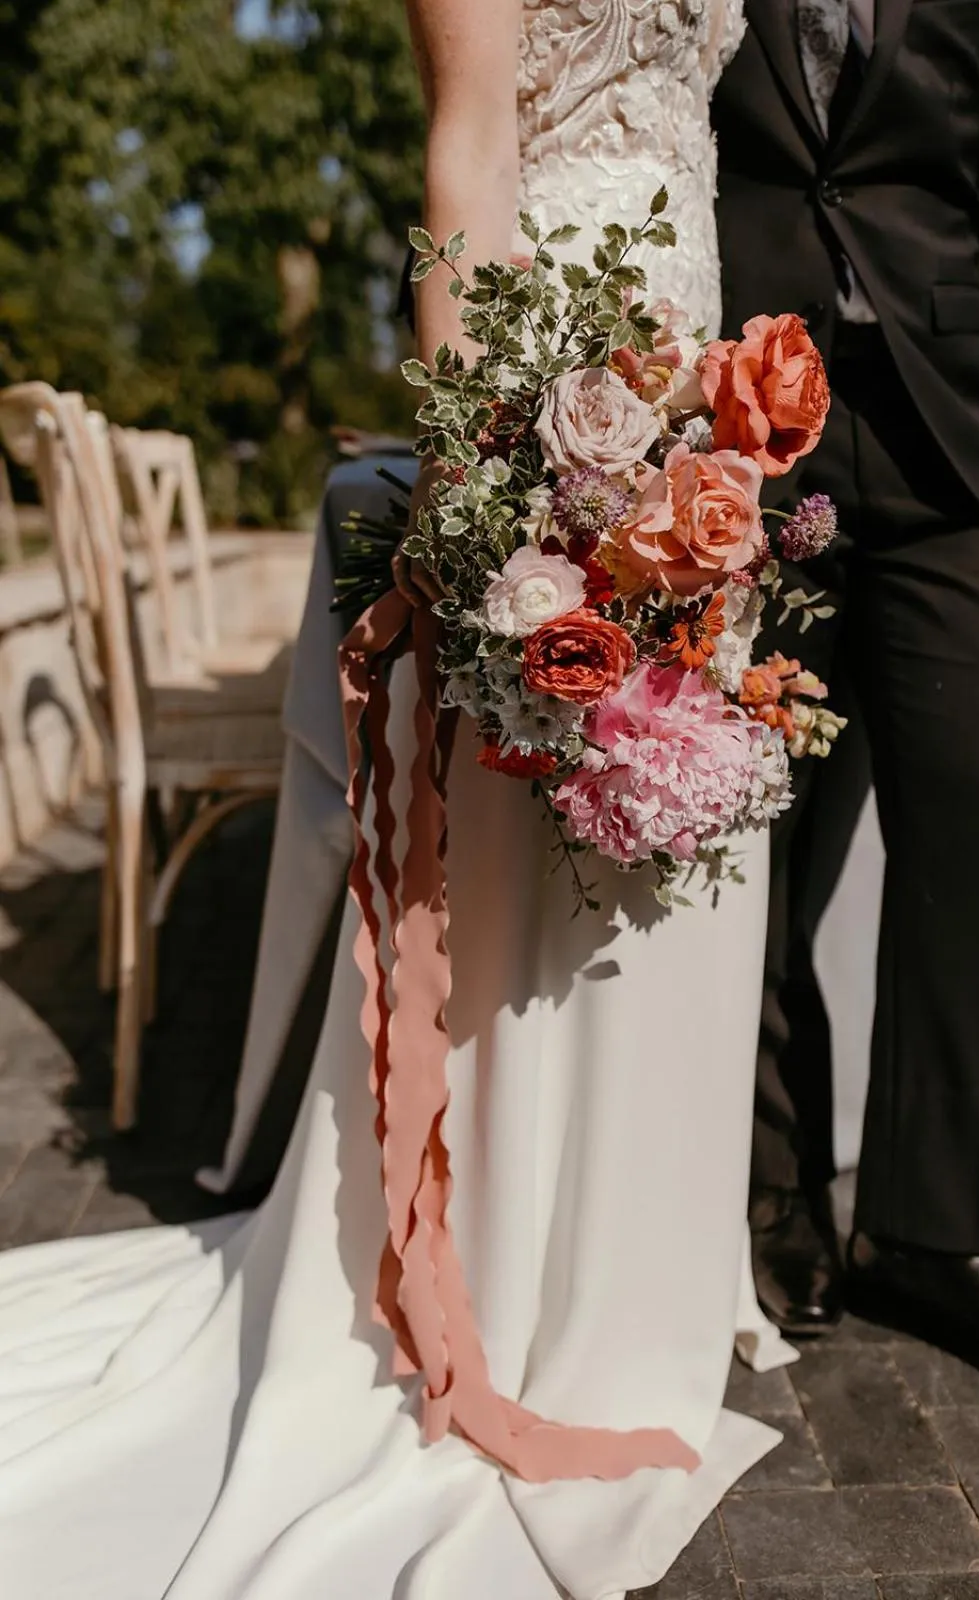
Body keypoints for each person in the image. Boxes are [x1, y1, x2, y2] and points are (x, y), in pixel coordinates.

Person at [0, 5, 797, 1597]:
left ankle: (645, 1263)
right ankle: (514, 1277)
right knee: (529, 832)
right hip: (554, 356)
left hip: (697, 368)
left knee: (672, 805)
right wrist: (479, 475)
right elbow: (472, 140)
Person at [713, 0, 979, 1397]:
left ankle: (930, 1232)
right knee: (752, 830)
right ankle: (770, 1193)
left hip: (942, 425)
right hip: (737, 418)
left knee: (972, 814)